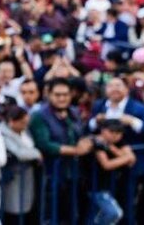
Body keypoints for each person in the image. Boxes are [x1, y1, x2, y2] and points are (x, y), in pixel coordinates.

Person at [28, 77, 93, 223]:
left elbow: (83, 134)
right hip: (51, 175)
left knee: (74, 215)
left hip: (75, 174)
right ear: (48, 94)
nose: (62, 98)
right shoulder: (39, 115)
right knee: (52, 216)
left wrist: (86, 143)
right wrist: (75, 150)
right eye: (57, 95)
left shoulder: (74, 113)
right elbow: (44, 144)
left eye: (65, 94)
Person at [0, 105, 41, 225]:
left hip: (27, 178)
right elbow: (19, 153)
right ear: (12, 121)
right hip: (13, 178)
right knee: (13, 210)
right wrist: (36, 154)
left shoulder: (24, 131)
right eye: (22, 123)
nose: (25, 125)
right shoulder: (2, 133)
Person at [91, 119, 137, 224]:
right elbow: (107, 164)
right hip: (95, 185)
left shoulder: (119, 142)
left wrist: (111, 148)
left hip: (113, 185)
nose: (115, 135)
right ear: (102, 131)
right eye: (111, 132)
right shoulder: (97, 142)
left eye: (118, 133)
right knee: (113, 212)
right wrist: (125, 158)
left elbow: (132, 160)